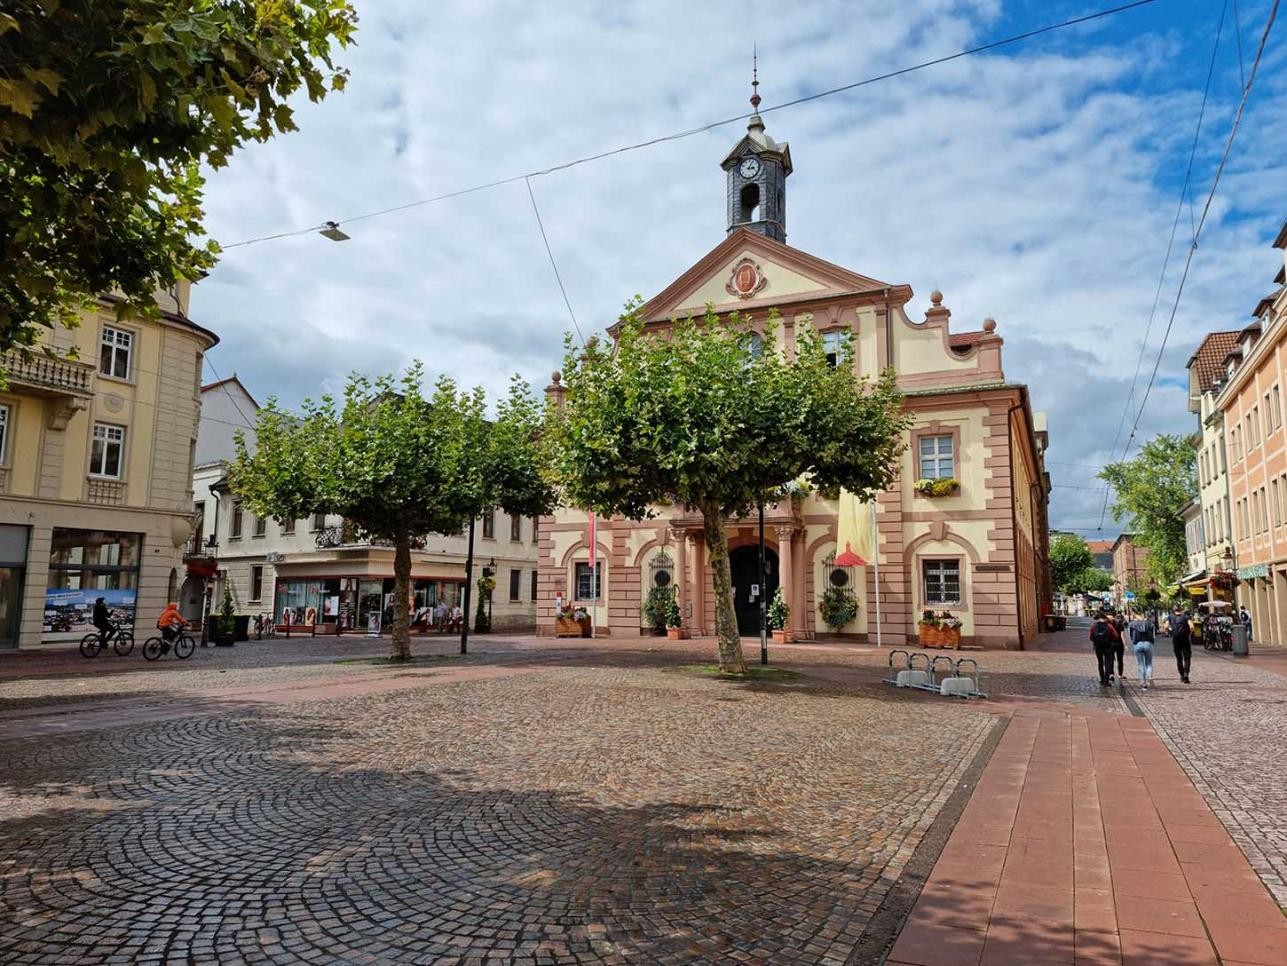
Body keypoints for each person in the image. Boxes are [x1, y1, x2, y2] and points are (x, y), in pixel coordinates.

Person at [1089, 612, 1120, 686]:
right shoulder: (1109, 626)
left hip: (1098, 647)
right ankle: (1106, 681)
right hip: (1108, 647)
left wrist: (1096, 640)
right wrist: (1110, 639)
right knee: (1108, 664)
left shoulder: (1094, 626)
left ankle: (1102, 679)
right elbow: (1116, 636)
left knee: (1100, 663)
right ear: (1104, 619)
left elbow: (1090, 637)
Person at [1128, 613, 1156, 689]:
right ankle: (1149, 676)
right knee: (1149, 662)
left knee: (1141, 664)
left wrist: (1133, 642)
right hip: (1148, 643)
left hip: (1137, 644)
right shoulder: (1150, 623)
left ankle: (1143, 682)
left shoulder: (1132, 624)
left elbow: (1130, 635)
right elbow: (1154, 635)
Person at [1171, 609, 1193, 684]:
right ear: (1181, 610)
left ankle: (1182, 675)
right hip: (1185, 639)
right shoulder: (1186, 617)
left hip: (1176, 639)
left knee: (1179, 658)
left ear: (1174, 611)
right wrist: (1189, 633)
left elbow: (1166, 626)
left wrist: (1170, 632)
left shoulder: (1171, 617)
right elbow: (1192, 626)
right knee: (1187, 657)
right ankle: (1186, 673)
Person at [1111, 612, 1127, 681]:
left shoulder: (1110, 624)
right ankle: (1120, 675)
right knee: (1120, 660)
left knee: (1110, 659)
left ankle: (1111, 674)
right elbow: (1122, 636)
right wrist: (1125, 645)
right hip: (1119, 644)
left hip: (1111, 644)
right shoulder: (1120, 625)